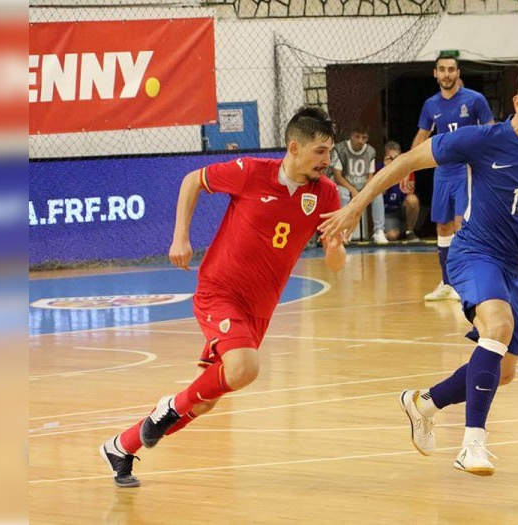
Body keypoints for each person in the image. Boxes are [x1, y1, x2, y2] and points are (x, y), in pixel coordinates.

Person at [320, 66, 518, 476]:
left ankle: (423, 404)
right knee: (499, 325)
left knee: (503, 371)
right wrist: (355, 206)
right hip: (474, 252)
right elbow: (406, 162)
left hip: (514, 267)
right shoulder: (481, 140)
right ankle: (472, 444)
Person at [99, 106, 347, 488]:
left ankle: (121, 446)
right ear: (294, 148)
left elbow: (335, 264)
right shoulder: (252, 172)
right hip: (220, 291)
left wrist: (335, 245)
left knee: (205, 400)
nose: (327, 160)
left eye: (329, 151)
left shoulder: (326, 194)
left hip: (260, 309)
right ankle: (169, 407)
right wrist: (180, 237)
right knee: (245, 368)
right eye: (320, 151)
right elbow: (192, 181)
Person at [412, 54, 495, 300]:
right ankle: (447, 283)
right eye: (442, 70)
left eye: (451, 69)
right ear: (435, 73)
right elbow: (422, 137)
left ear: (458, 73)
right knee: (443, 226)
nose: (447, 74)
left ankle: (465, 282)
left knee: (462, 225)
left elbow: (491, 131)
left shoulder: (474, 99)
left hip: (466, 170)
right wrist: (407, 168)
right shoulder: (431, 104)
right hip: (442, 172)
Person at [332, 124, 388, 244]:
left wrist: (365, 191)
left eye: (364, 138)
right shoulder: (340, 149)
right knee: (342, 194)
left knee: (377, 195)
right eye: (357, 137)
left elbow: (370, 176)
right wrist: (352, 190)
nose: (361, 141)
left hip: (363, 186)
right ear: (351, 136)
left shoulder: (370, 151)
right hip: (346, 185)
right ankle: (344, 230)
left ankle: (379, 231)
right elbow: (338, 177)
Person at [381, 141, 420, 242]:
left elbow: (409, 191)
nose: (394, 161)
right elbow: (382, 192)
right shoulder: (380, 168)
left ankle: (409, 231)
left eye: (397, 158)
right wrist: (387, 171)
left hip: (402, 207)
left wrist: (401, 174)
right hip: (388, 210)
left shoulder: (408, 169)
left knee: (413, 200)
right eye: (391, 158)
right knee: (392, 236)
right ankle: (391, 231)